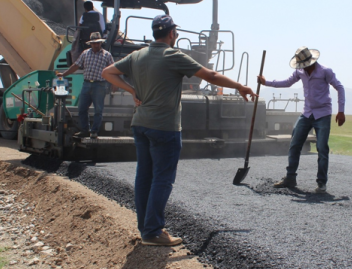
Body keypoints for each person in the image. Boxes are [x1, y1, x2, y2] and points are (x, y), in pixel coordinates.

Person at [102, 15, 256, 246]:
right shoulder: (172, 55)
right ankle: (153, 232)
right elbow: (211, 75)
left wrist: (131, 91)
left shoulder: (137, 55)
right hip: (164, 127)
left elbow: (107, 73)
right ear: (173, 33)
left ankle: (146, 229)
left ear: (154, 32)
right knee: (162, 179)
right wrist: (239, 86)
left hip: (140, 124)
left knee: (144, 176)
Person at [258, 46, 345, 193]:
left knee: (322, 148)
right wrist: (266, 82)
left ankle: (321, 183)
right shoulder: (300, 72)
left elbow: (340, 87)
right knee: (294, 144)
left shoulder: (325, 71)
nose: (304, 68)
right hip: (306, 113)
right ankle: (290, 178)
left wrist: (341, 111)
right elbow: (287, 82)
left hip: (322, 114)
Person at [57, 32, 114, 139]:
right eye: (94, 43)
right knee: (82, 108)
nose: (96, 45)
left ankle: (94, 131)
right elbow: (76, 66)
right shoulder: (85, 53)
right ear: (90, 44)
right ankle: (85, 130)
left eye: (98, 43)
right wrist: (64, 74)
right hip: (87, 84)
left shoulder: (107, 55)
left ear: (100, 43)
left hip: (100, 85)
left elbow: (112, 70)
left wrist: (114, 83)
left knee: (98, 110)